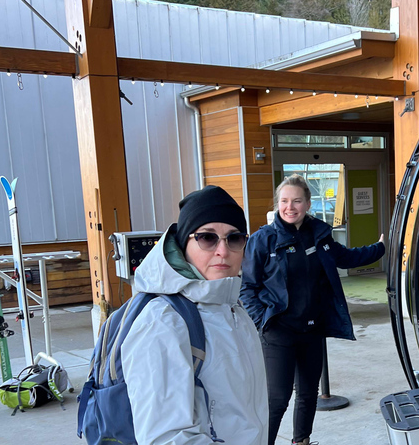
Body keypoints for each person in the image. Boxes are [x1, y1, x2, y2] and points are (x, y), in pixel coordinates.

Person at [240, 174, 386, 445]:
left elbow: (345, 257)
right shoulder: (263, 240)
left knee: (308, 394)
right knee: (277, 399)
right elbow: (247, 288)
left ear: (307, 203)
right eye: (284, 201)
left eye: (296, 201)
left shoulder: (319, 234)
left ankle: (301, 441)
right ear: (277, 204)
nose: (290, 207)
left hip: (312, 329)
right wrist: (264, 322)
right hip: (279, 333)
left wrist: (379, 248)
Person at [122, 185, 268, 445]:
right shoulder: (163, 321)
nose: (223, 251)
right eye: (207, 238)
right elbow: (166, 438)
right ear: (184, 243)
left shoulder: (231, 307)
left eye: (234, 238)